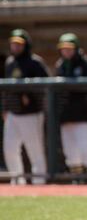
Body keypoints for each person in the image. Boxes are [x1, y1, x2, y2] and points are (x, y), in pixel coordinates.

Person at [3, 29, 49, 185]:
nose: (15, 47)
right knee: (9, 149)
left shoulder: (35, 62)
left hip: (31, 114)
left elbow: (46, 86)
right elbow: (7, 88)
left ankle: (39, 182)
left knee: (35, 150)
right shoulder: (10, 63)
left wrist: (29, 95)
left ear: (26, 45)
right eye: (13, 44)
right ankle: (18, 182)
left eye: (19, 44)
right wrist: (5, 109)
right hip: (13, 114)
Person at [54, 33, 87, 180]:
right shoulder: (60, 66)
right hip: (65, 118)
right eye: (64, 49)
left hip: (84, 116)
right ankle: (77, 183)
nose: (66, 51)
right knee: (71, 154)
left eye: (69, 48)